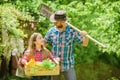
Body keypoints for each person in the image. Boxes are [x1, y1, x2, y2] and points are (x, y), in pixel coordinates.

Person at [44, 10, 89, 80]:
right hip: (55, 65)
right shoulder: (51, 31)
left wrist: (86, 36)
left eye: (56, 22)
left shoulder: (72, 31)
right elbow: (43, 45)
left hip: (68, 65)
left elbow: (84, 43)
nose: (54, 24)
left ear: (62, 21)